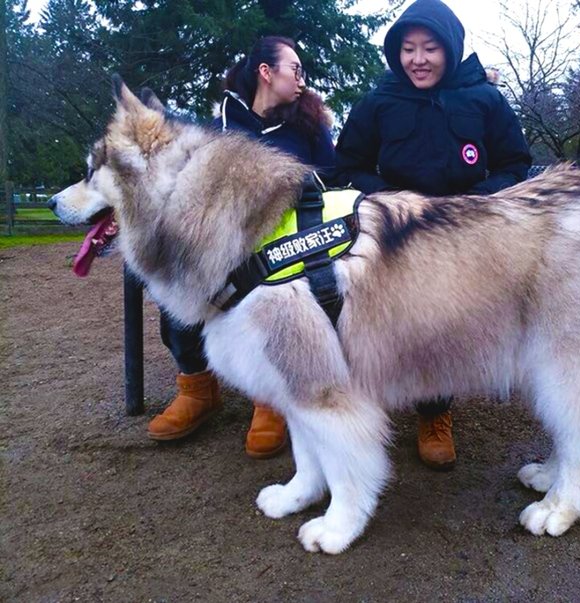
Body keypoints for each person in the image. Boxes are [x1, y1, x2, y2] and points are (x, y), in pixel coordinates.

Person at [335, 0, 532, 470]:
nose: (418, 59)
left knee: (442, 324)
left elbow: (514, 163)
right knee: (381, 320)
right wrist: (385, 200)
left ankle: (434, 415)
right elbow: (349, 165)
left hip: (461, 235)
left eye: (429, 48)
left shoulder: (483, 98)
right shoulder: (379, 100)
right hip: (391, 235)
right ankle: (369, 408)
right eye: (408, 49)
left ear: (450, 50)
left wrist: (478, 200)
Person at [149, 36, 335, 458]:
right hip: (226, 245)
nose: (303, 79)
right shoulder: (220, 128)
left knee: (269, 292)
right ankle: (196, 386)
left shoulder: (309, 125)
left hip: (290, 243)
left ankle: (268, 396)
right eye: (296, 69)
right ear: (266, 73)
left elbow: (333, 178)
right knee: (179, 283)